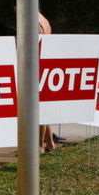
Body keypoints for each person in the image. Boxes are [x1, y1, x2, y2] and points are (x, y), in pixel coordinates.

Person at [39, 11, 56, 152]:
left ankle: (39, 146)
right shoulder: (44, 20)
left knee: (39, 108)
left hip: (37, 66)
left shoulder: (34, 21)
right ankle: (50, 143)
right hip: (44, 64)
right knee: (42, 106)